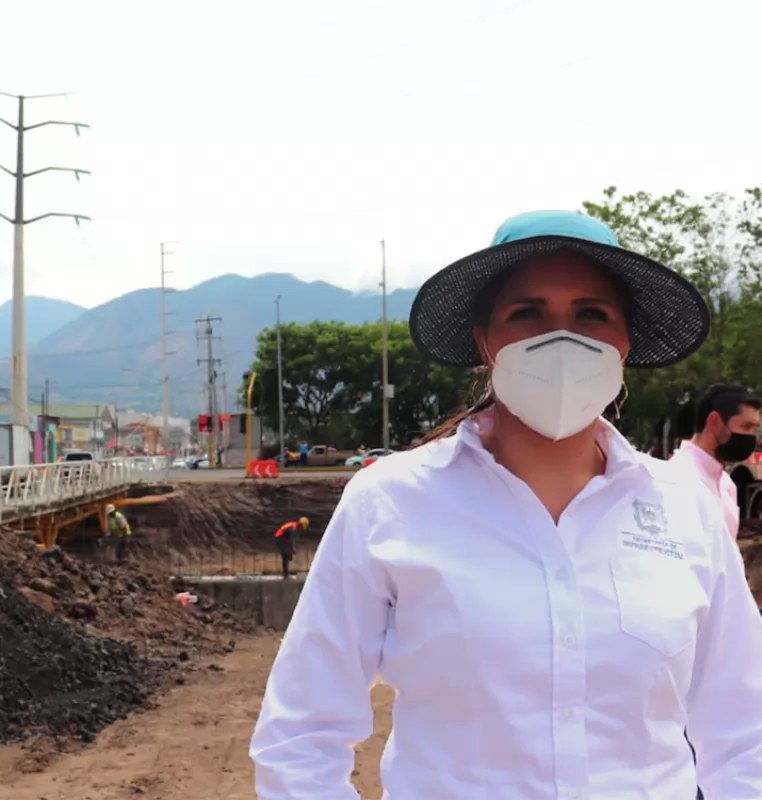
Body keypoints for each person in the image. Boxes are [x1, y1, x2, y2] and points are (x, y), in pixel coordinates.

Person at [250, 210, 762, 798]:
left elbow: (745, 731)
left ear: (626, 342)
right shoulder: (389, 503)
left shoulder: (684, 510)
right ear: (483, 341)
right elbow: (302, 735)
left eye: (591, 314)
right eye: (528, 313)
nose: (563, 339)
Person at [670, 383, 761, 539]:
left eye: (755, 429)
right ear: (715, 422)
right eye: (746, 426)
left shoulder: (727, 485)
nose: (752, 437)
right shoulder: (677, 480)